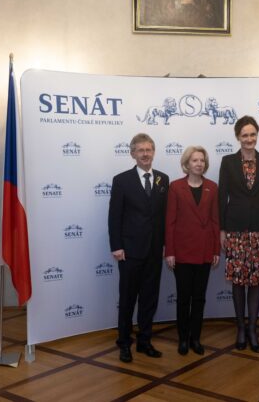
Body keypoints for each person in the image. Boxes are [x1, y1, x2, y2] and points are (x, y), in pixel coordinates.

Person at [108, 133, 169, 363]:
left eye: (149, 150)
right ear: (132, 153)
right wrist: (117, 246)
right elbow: (114, 216)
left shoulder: (164, 179)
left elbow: (164, 217)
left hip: (154, 251)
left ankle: (144, 341)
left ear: (153, 152)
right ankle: (124, 343)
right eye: (141, 150)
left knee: (149, 299)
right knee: (127, 300)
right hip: (130, 252)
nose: (145, 154)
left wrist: (165, 245)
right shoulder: (121, 180)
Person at [219, 115, 259, 353]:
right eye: (245, 135)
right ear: (237, 137)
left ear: (257, 135)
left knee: (255, 280)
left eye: (253, 134)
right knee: (237, 281)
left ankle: (253, 329)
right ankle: (240, 328)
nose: (249, 139)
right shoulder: (228, 161)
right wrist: (221, 230)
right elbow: (222, 196)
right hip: (235, 230)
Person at [165, 146, 220, 356]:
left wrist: (216, 249)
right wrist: (169, 252)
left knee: (199, 298)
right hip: (182, 252)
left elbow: (215, 220)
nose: (199, 164)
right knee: (183, 298)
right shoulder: (175, 187)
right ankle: (182, 339)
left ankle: (195, 338)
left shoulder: (212, 187)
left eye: (202, 160)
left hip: (205, 251)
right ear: (186, 164)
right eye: (195, 160)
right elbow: (169, 222)